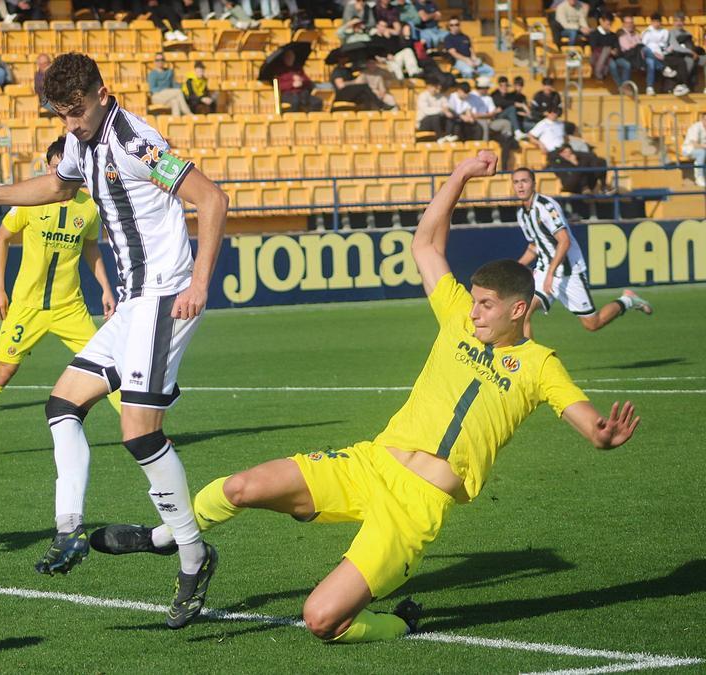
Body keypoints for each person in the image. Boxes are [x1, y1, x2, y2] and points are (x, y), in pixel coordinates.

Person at [90, 150, 642, 643]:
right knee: (241, 486)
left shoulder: (541, 365)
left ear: (518, 310)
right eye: (472, 302)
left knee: (322, 620)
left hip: (415, 508)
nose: (472, 312)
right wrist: (459, 176)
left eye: (485, 305)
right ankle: (168, 538)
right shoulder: (455, 316)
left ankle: (402, 619)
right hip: (370, 463)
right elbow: (426, 242)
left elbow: (587, 421)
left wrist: (602, 434)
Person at [0, 52, 230, 628]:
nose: (70, 124)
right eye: (61, 115)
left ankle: (191, 553)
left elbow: (212, 198)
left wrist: (199, 284)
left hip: (164, 297)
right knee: (61, 405)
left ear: (102, 93)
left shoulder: (134, 138)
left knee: (137, 432)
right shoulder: (81, 138)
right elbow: (56, 185)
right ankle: (70, 529)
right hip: (133, 304)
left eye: (76, 112)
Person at [0, 139, 121, 460]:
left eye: (67, 167)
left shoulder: (89, 208)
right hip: (27, 306)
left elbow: (91, 249)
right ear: (48, 167)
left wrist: (106, 288)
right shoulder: (30, 202)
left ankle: (141, 432)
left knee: (109, 366)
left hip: (69, 307)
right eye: (55, 166)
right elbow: (2, 238)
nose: (60, 172)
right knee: (3, 372)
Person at [511, 166, 651, 336]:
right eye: (516, 182)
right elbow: (535, 245)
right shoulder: (522, 213)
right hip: (544, 270)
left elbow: (564, 241)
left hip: (568, 272)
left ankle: (627, 300)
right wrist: (515, 267)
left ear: (533, 183)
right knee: (523, 312)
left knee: (592, 323)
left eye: (524, 181)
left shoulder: (546, 207)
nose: (520, 186)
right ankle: (530, 361)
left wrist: (551, 273)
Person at [590, 12, 632, 89]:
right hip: (602, 58)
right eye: (607, 24)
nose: (609, 26)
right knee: (612, 65)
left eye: (610, 24)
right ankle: (621, 86)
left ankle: (625, 84)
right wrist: (609, 51)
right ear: (601, 21)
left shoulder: (613, 35)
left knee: (627, 64)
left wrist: (616, 51)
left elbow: (618, 47)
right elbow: (594, 48)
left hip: (614, 57)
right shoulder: (594, 34)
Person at [641, 13, 672, 95]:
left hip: (659, 55)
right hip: (648, 54)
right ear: (651, 22)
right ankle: (663, 68)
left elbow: (664, 46)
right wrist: (654, 54)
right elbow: (643, 46)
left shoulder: (665, 32)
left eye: (658, 22)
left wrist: (664, 53)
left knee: (651, 62)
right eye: (654, 22)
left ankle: (649, 87)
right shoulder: (647, 32)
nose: (656, 24)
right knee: (647, 51)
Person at [681, 110, 706, 186]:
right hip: (688, 150)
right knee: (701, 153)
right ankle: (699, 177)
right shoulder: (696, 127)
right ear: (702, 119)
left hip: (702, 150)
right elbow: (694, 144)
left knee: (702, 152)